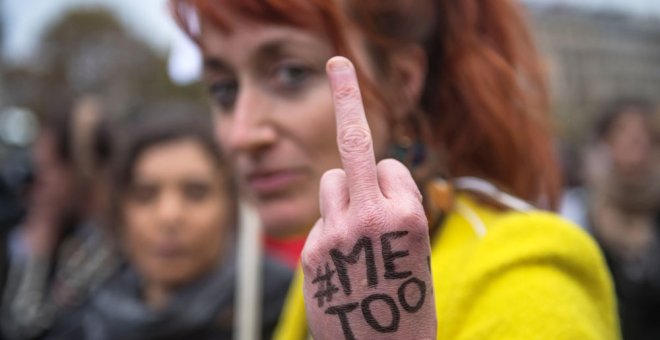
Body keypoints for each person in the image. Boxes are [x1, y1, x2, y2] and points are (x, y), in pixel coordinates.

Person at [170, 0, 620, 338]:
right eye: (224, 89)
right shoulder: (330, 261)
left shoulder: (525, 278)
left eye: (291, 74)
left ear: (403, 81)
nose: (241, 133)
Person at [49, 111, 291, 340]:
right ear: (119, 209)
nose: (169, 216)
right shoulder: (88, 317)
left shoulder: (287, 309)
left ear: (231, 204)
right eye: (145, 194)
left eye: (196, 193)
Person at [1, 98, 117, 340]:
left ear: (79, 171)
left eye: (45, 172)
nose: (35, 188)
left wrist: (35, 257)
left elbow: (24, 326)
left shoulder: (106, 242)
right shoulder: (75, 232)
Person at [584, 99, 660, 340]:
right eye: (623, 130)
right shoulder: (581, 210)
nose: (636, 140)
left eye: (643, 133)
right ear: (604, 143)